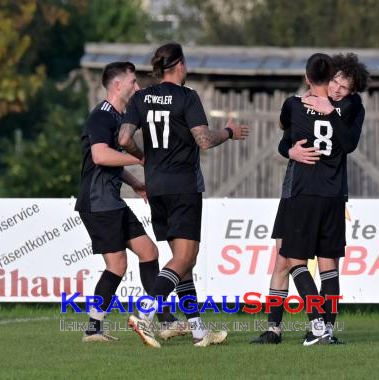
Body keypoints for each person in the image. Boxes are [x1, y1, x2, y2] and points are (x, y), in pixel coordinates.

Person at [118, 42, 249, 348]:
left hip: (157, 187)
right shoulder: (186, 96)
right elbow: (203, 140)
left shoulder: (140, 97)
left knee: (183, 262)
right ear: (178, 65)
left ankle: (199, 331)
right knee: (185, 257)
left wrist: (144, 157)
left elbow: (124, 138)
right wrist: (228, 133)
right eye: (186, 63)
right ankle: (144, 314)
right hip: (183, 186)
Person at [251, 53, 369, 346]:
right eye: (335, 81)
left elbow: (349, 143)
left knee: (302, 259)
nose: (338, 88)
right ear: (327, 78)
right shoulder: (301, 104)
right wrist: (289, 152)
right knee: (283, 259)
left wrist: (329, 110)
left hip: (312, 193)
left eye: (345, 85)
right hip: (297, 189)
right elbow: (285, 141)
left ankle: (322, 327)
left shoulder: (349, 107)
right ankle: (275, 329)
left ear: (353, 90)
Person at [74, 61, 183, 342]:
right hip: (97, 202)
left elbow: (109, 162)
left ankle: (166, 322)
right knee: (117, 266)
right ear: (118, 85)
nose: (138, 87)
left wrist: (135, 183)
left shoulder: (118, 116)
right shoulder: (102, 116)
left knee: (149, 252)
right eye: (133, 82)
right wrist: (140, 159)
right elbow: (100, 156)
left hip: (111, 200)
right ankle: (93, 329)